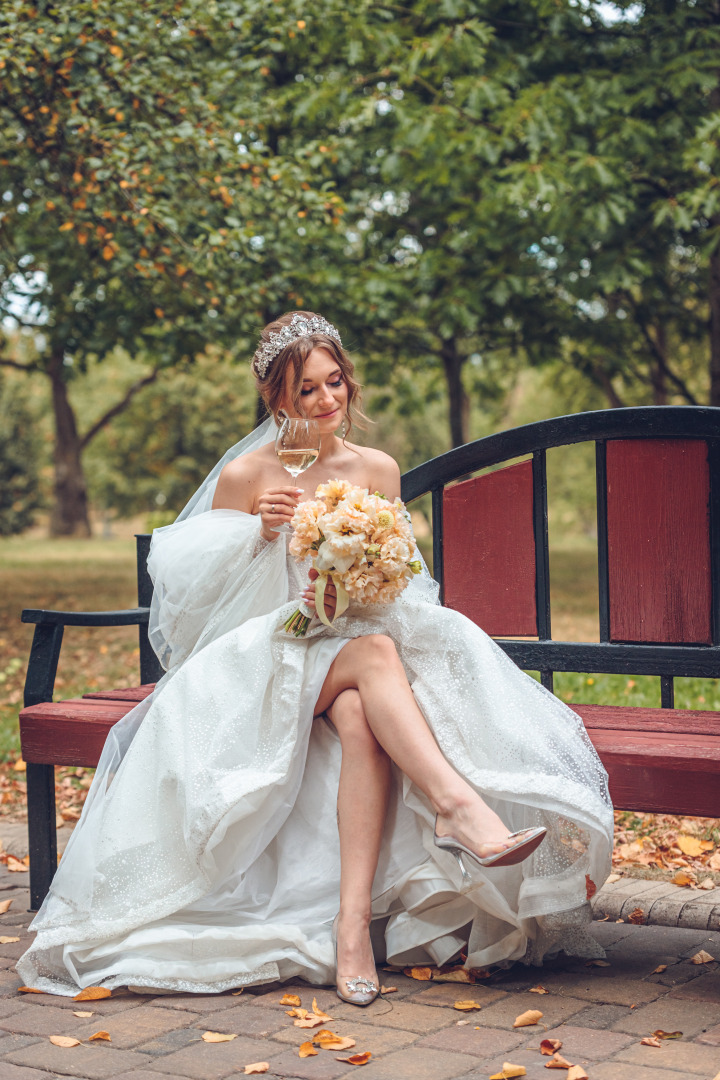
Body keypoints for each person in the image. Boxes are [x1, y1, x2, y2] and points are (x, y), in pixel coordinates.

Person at [18, 311, 613, 1003]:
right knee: (372, 657)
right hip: (262, 653)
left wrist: (360, 579)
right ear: (277, 398)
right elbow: (201, 612)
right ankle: (457, 808)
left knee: (364, 703)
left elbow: (402, 583)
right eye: (307, 390)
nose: (328, 401)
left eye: (335, 383)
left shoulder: (376, 468)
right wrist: (258, 537)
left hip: (359, 644)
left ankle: (352, 929)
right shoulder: (246, 476)